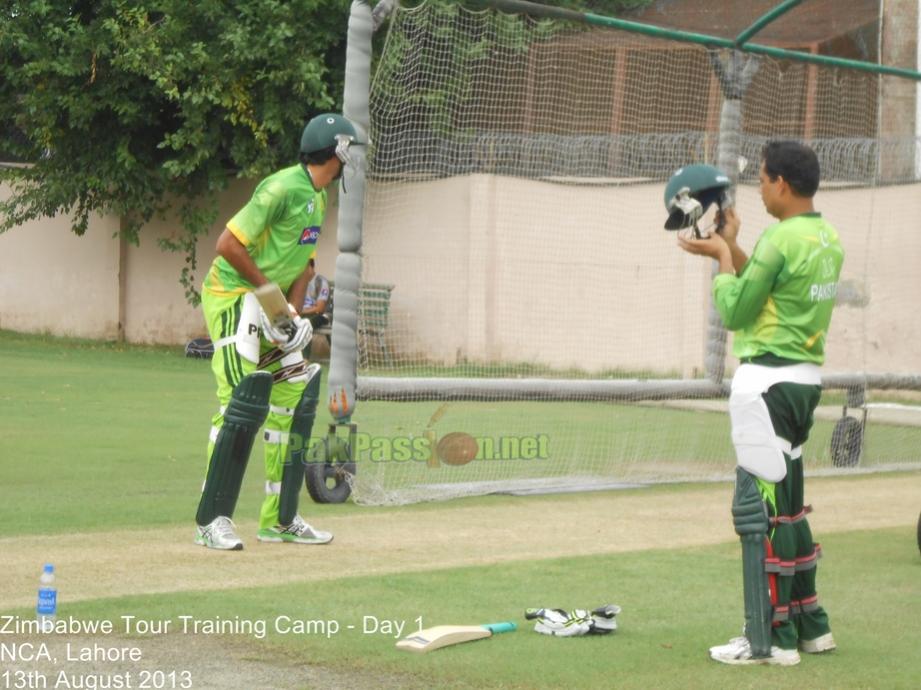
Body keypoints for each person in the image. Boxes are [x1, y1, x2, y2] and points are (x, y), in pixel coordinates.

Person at [676, 141, 844, 665]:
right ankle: (811, 625)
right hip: (801, 383)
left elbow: (739, 309)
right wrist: (736, 248)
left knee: (758, 513)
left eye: (764, 179)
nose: (760, 189)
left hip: (765, 386)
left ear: (782, 185)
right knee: (788, 507)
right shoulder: (824, 236)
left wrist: (722, 255)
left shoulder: (778, 238)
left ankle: (768, 639)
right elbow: (771, 291)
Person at [193, 113, 357, 550]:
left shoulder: (319, 199)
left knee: (294, 399)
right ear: (337, 150)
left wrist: (296, 315)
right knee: (240, 404)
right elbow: (227, 244)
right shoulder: (281, 187)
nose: (352, 158)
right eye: (350, 149)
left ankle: (280, 520)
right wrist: (271, 299)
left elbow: (304, 262)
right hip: (232, 297)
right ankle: (212, 520)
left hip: (271, 307)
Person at [300, 258, 332, 330]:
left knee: (305, 325)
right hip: (304, 314)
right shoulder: (300, 282)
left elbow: (320, 308)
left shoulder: (320, 281)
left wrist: (303, 311)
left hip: (321, 315)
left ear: (311, 267)